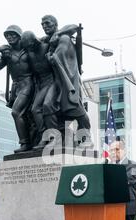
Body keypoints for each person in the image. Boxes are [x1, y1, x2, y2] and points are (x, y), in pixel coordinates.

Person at [41, 15, 93, 148]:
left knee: (75, 109)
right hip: (56, 80)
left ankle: (86, 137)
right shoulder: (49, 40)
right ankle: (54, 138)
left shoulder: (63, 38)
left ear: (55, 24)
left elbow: (75, 27)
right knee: (47, 105)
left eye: (47, 23)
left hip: (68, 79)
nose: (44, 26)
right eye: (42, 24)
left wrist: (52, 57)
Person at [0, 25, 35, 153]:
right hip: (16, 87)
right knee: (24, 115)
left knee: (16, 112)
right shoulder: (7, 53)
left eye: (12, 34)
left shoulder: (28, 49)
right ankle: (29, 140)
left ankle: (25, 143)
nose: (10, 37)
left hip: (29, 83)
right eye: (7, 35)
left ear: (19, 35)